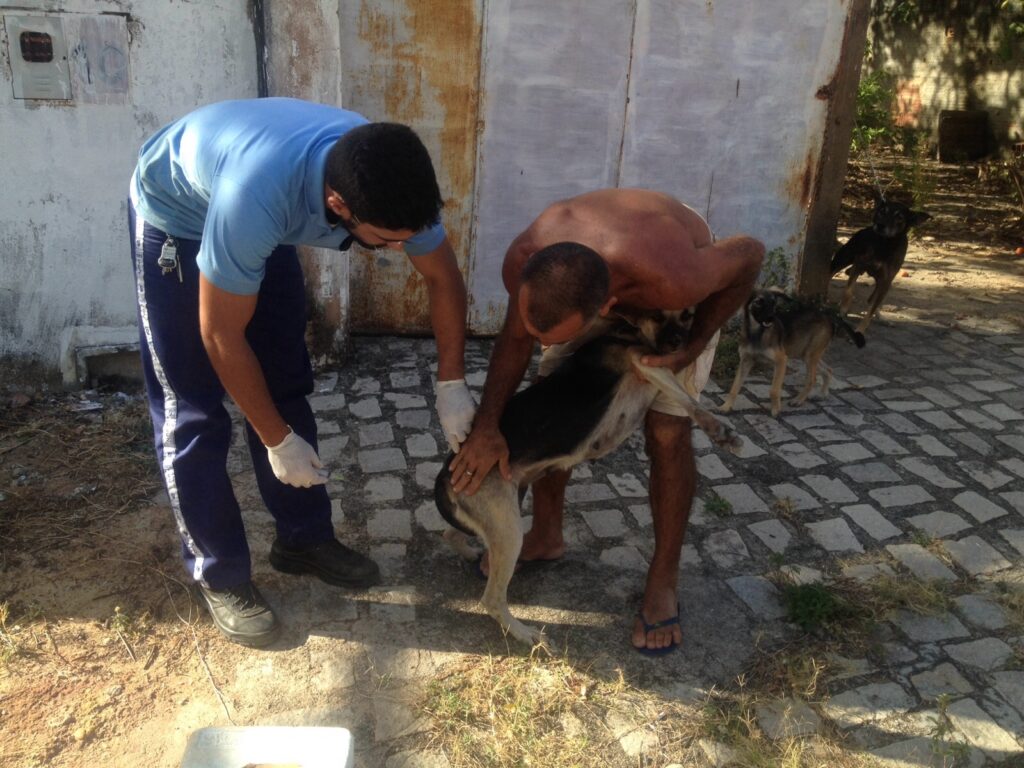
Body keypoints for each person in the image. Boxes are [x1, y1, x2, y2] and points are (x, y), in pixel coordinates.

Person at [129, 97, 476, 647]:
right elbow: (221, 336)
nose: (402, 249)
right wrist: (274, 441)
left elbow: (442, 278)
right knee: (193, 411)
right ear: (338, 205)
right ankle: (221, 574)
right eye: (388, 241)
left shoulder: (390, 177)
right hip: (180, 218)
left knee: (285, 380)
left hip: (262, 207)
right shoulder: (255, 201)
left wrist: (451, 382)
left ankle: (302, 538)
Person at [450, 189, 763, 655]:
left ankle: (663, 579)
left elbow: (751, 256)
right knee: (555, 389)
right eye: (537, 332)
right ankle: (545, 535)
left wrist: (693, 346)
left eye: (549, 335)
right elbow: (516, 342)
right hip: (598, 264)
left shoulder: (675, 278)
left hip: (673, 272)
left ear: (607, 307)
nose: (533, 341)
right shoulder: (527, 260)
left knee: (666, 431)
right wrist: (487, 426)